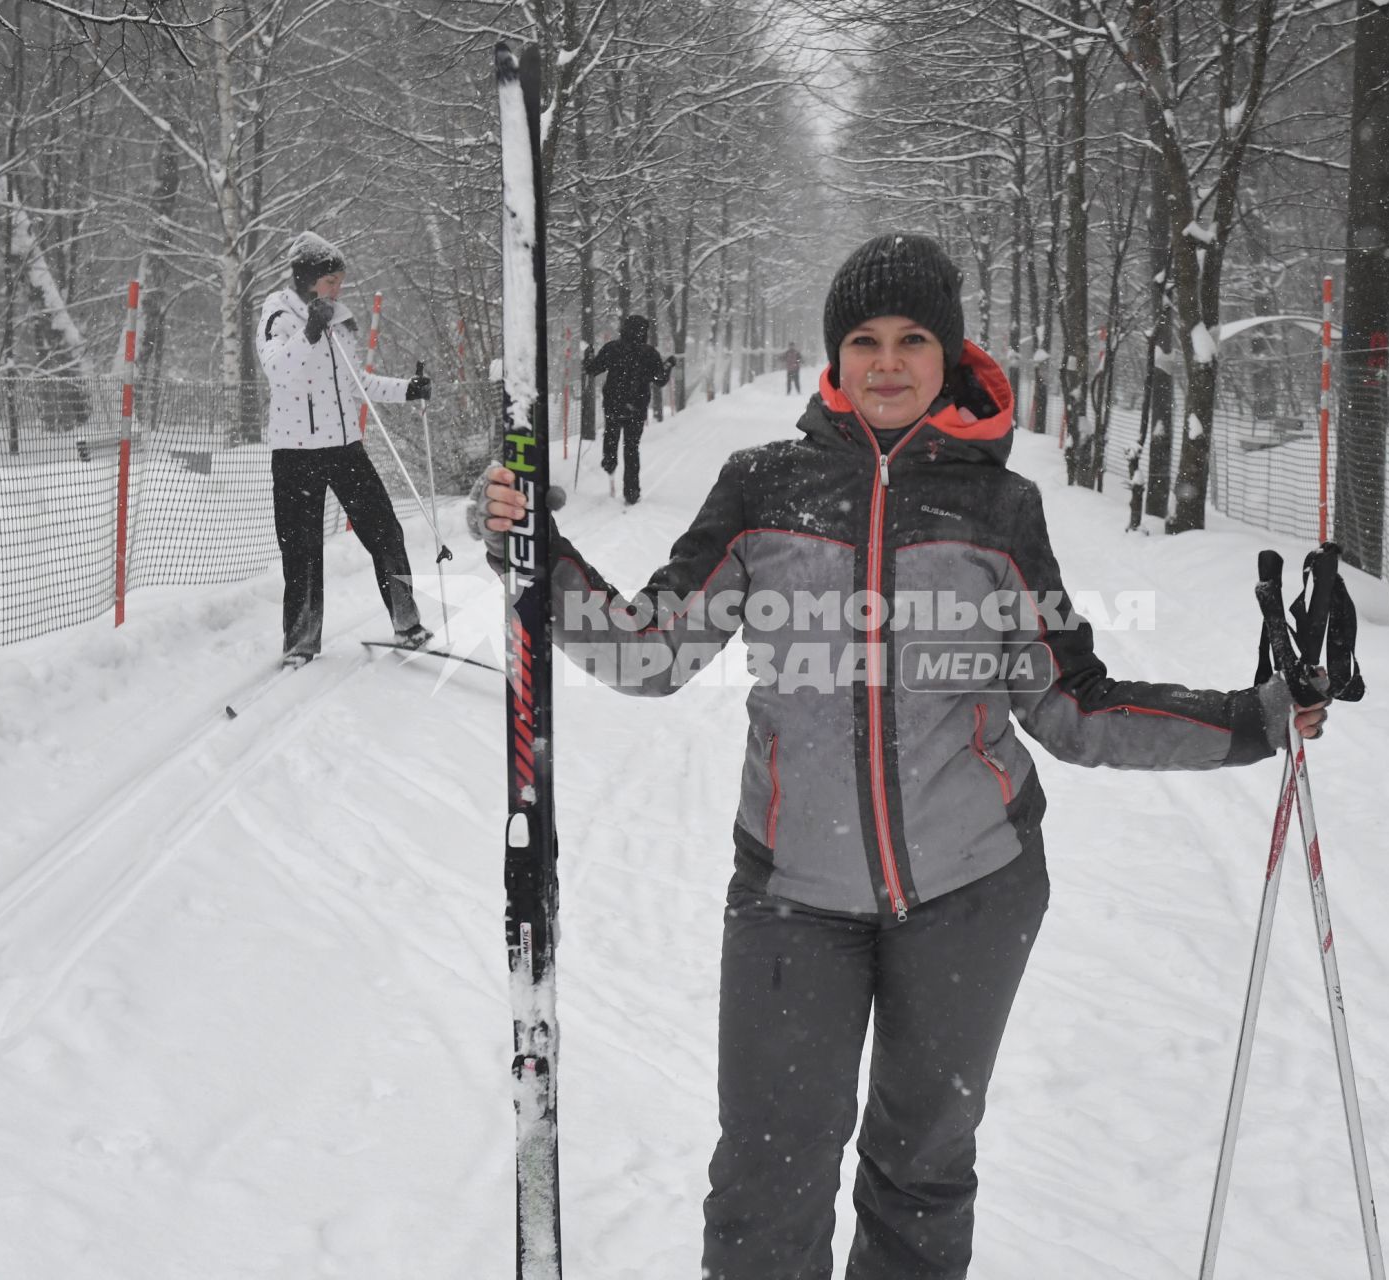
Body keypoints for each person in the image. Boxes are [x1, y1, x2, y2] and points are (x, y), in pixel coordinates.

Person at [475, 233, 1326, 1279]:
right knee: (765, 1179)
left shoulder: (998, 509)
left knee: (921, 1171)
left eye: (912, 338)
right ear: (834, 357)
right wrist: (532, 556)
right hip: (792, 890)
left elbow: (1069, 703)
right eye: (864, 340)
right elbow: (650, 651)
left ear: (949, 351)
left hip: (974, 889)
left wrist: (1257, 717)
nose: (887, 360)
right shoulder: (762, 489)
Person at [257, 231, 434, 667]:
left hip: (344, 449)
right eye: (331, 281)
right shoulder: (278, 315)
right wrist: (311, 333)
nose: (339, 289)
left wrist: (406, 390)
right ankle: (300, 644)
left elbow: (360, 384)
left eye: (340, 281)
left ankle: (408, 624)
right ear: (308, 278)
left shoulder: (342, 320)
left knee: (386, 532)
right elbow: (278, 373)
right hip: (296, 453)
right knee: (301, 550)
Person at [584, 314, 675, 505]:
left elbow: (592, 370)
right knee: (631, 448)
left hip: (613, 405)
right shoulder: (649, 353)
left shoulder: (613, 348)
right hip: (637, 407)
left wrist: (588, 356)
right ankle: (631, 492)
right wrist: (668, 365)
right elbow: (660, 381)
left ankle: (609, 464)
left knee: (611, 436)